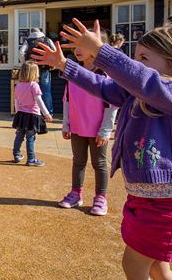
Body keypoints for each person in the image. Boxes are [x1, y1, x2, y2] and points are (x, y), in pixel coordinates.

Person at [32, 16, 172, 280]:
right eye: (136, 57)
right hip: (146, 200)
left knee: (134, 268)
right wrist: (65, 65)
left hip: (168, 205)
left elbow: (144, 81)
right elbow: (104, 86)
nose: (136, 64)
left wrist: (102, 51)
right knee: (158, 269)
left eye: (144, 59)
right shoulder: (142, 92)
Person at [57, 29, 118, 216]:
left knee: (99, 163)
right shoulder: (74, 72)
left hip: (98, 130)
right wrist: (66, 124)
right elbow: (67, 100)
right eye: (77, 45)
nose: (78, 49)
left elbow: (112, 104)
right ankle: (76, 193)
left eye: (84, 45)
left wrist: (106, 130)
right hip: (77, 128)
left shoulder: (105, 74)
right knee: (78, 162)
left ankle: (101, 197)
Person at [11, 61, 52, 167]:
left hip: (21, 115)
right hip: (32, 116)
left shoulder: (18, 86)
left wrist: (17, 112)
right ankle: (31, 159)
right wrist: (46, 113)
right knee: (30, 138)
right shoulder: (34, 86)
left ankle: (16, 155)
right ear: (35, 73)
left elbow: (16, 101)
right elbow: (39, 101)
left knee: (19, 136)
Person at [19, 28, 55, 115]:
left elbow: (21, 52)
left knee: (33, 92)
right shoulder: (47, 40)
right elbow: (54, 51)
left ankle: (35, 112)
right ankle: (48, 112)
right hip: (44, 68)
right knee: (46, 92)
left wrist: (25, 63)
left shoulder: (28, 41)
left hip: (32, 69)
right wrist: (53, 64)